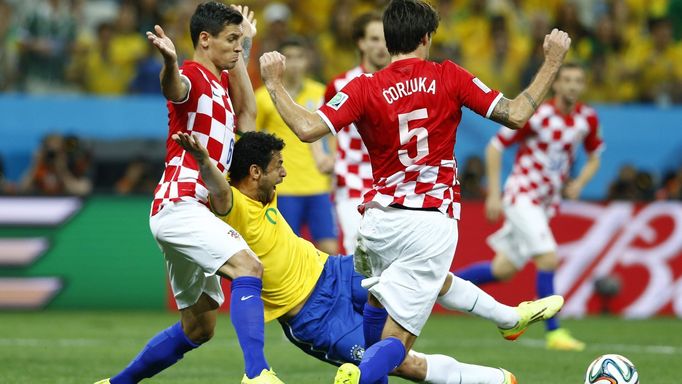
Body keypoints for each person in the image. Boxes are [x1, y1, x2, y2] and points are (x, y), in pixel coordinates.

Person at [259, 0, 571, 382]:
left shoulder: (364, 86)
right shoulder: (449, 76)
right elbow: (516, 114)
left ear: (388, 40)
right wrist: (552, 62)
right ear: (426, 38)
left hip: (378, 223)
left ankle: (506, 319)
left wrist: (274, 84)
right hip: (429, 221)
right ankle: (359, 377)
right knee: (397, 344)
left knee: (377, 311)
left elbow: (307, 128)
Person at [174, 130, 564, 384]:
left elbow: (245, 124)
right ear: (255, 172)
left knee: (423, 272)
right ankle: (496, 380)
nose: (286, 173)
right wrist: (204, 159)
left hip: (336, 271)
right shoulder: (232, 205)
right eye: (279, 167)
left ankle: (510, 317)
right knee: (400, 362)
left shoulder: (265, 192)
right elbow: (219, 189)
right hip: (314, 318)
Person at [95, 4, 283, 384]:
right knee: (249, 267)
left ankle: (116, 383)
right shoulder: (194, 76)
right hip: (182, 206)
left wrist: (244, 46)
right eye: (230, 40)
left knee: (199, 327)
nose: (236, 47)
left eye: (239, 41)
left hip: (191, 212)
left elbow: (248, 117)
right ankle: (257, 374)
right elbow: (175, 89)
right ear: (204, 39)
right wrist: (170, 62)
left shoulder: (221, 87)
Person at [456, 63, 602, 351]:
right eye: (567, 80)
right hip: (522, 195)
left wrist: (579, 183)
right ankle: (554, 333)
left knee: (503, 269)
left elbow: (595, 155)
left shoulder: (587, 118)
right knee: (548, 258)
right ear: (556, 85)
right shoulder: (539, 116)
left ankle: (437, 287)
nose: (572, 85)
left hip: (545, 202)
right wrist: (494, 194)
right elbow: (495, 147)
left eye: (578, 80)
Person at [255, 36, 338, 255]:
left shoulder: (321, 92)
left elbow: (334, 132)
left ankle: (328, 291)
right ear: (279, 62)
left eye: (299, 57)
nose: (294, 63)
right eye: (288, 57)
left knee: (330, 249)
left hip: (318, 185)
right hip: (283, 188)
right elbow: (250, 138)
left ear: (307, 61)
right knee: (286, 252)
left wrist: (334, 161)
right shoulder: (264, 97)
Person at [325, 11, 390, 254]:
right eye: (374, 39)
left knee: (388, 253)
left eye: (385, 39)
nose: (381, 46)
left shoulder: (402, 82)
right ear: (361, 43)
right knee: (358, 248)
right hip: (351, 176)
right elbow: (325, 127)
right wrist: (325, 156)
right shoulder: (340, 85)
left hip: (390, 179)